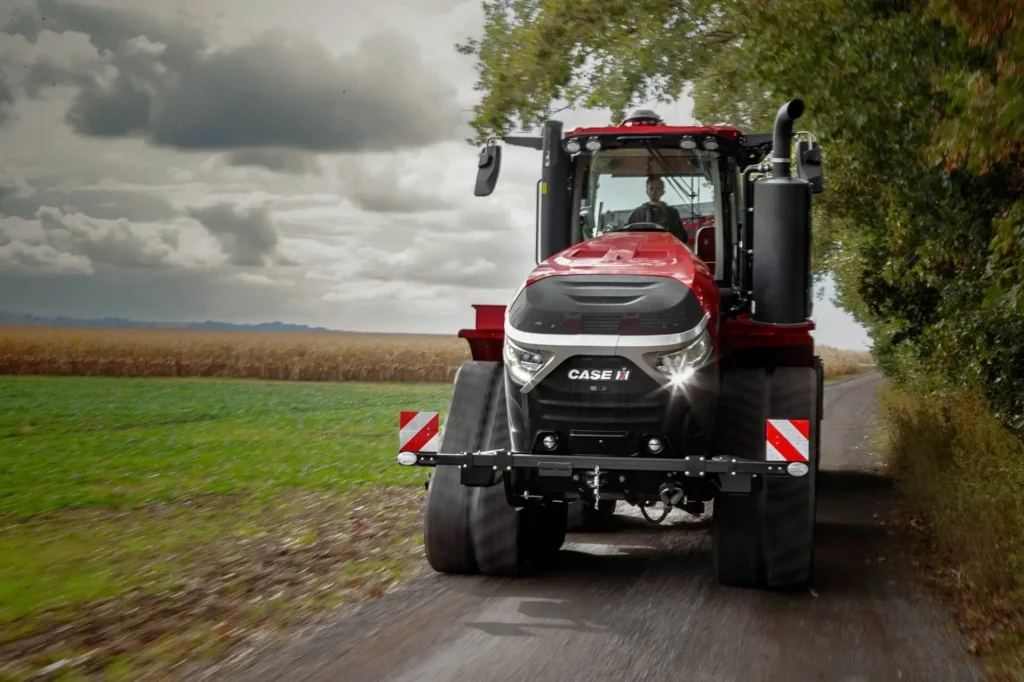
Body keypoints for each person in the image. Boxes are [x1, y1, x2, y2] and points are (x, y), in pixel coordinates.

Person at [625, 175, 688, 245]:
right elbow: (628, 237)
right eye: (651, 188)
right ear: (647, 192)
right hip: (642, 250)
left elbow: (681, 238)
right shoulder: (636, 214)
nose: (654, 192)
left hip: (666, 248)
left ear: (662, 192)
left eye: (657, 189)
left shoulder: (672, 213)